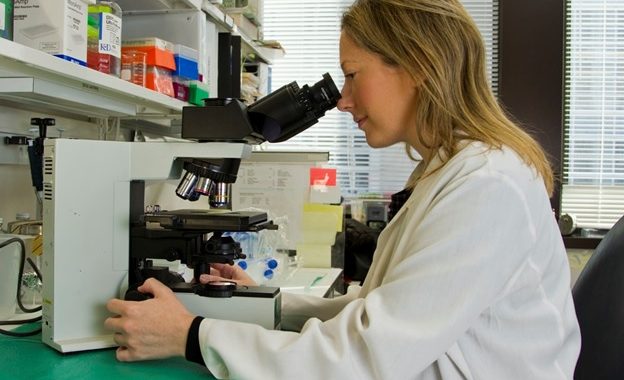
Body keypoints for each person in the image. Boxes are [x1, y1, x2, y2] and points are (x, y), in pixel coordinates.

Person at [104, 0, 581, 378]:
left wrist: (190, 336)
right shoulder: (452, 171)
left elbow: (362, 358)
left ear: (418, 64)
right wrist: (267, 303)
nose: (343, 102)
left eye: (352, 75)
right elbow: (382, 311)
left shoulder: (486, 187)